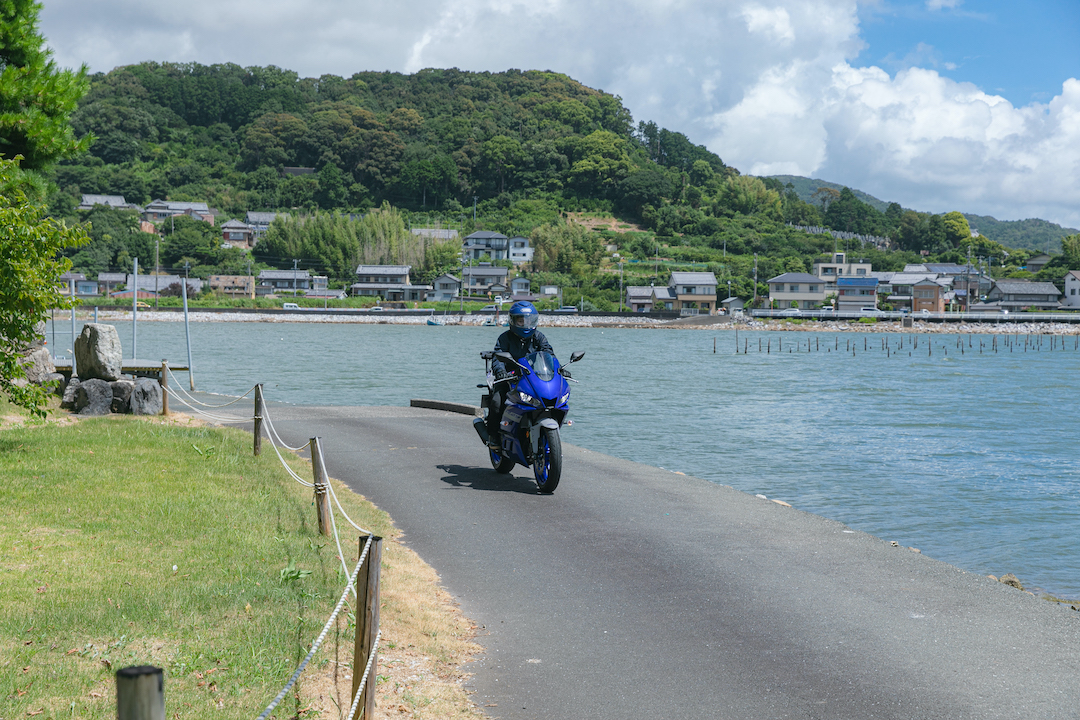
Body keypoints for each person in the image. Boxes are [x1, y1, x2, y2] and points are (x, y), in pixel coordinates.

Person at [485, 301, 553, 447]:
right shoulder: (505, 338)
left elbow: (548, 354)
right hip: (509, 378)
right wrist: (501, 372)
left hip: (532, 377)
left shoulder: (539, 337)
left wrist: (556, 369)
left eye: (528, 320)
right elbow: (498, 357)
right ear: (513, 321)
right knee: (497, 401)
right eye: (521, 320)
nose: (525, 324)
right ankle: (493, 436)